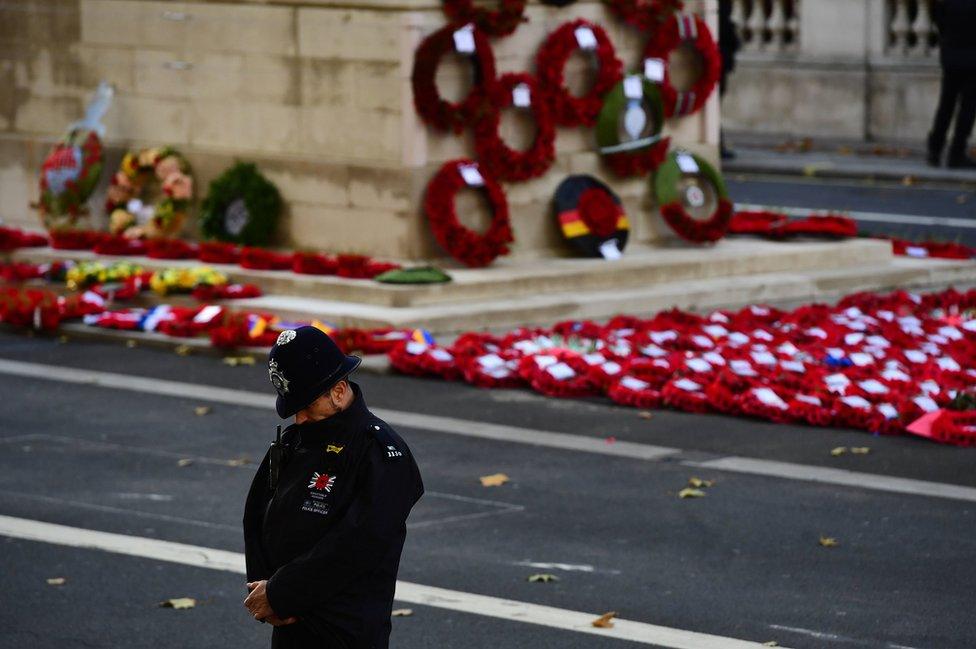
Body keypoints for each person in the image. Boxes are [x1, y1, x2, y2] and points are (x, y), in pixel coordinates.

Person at [243, 326, 424, 649]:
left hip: (343, 631)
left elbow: (358, 543)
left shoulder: (380, 451)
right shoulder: (295, 440)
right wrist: (264, 592)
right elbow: (258, 511)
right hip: (290, 621)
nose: (298, 419)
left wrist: (281, 593)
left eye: (306, 405)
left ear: (338, 391)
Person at [928, 0, 976, 169]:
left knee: (946, 105)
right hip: (972, 59)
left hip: (951, 56)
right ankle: (956, 152)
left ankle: (934, 148)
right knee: (967, 110)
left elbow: (939, 22)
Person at [718, 0, 741, 160]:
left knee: (715, 108)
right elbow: (732, 40)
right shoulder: (722, 13)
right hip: (719, 64)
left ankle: (719, 144)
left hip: (721, 64)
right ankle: (719, 145)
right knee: (715, 108)